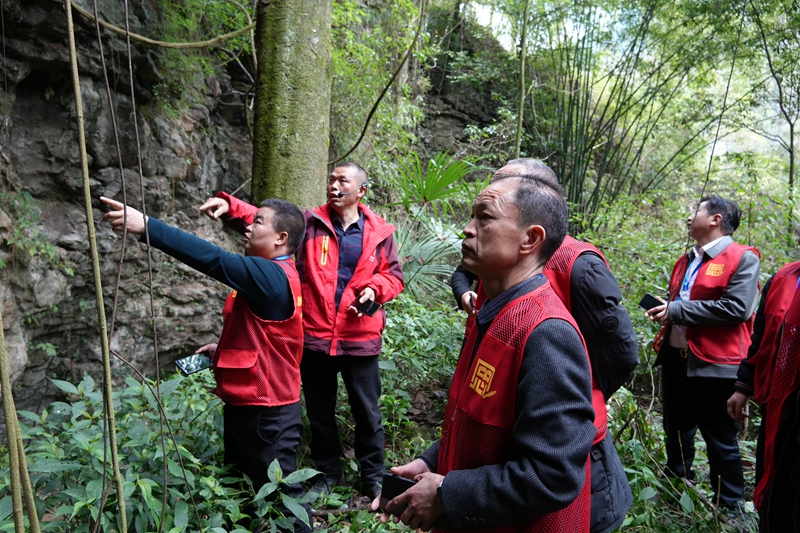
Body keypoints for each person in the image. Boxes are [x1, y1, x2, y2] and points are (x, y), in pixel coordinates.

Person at [371, 176, 596, 532]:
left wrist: (447, 493)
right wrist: (433, 461)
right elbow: (482, 423)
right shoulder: (490, 313)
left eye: (484, 218)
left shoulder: (546, 332)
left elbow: (553, 475)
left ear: (530, 239)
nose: (467, 229)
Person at [99, 196, 311, 531]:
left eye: (257, 222)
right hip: (250, 403)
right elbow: (267, 334)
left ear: (281, 238)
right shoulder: (270, 274)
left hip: (268, 413)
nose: (248, 227)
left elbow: (213, 260)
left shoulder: (270, 275)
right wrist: (223, 348)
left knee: (281, 499)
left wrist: (148, 227)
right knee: (243, 489)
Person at [450, 159, 637, 533]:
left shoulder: (576, 270)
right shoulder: (498, 288)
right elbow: (462, 275)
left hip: (569, 432)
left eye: (486, 214)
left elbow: (620, 352)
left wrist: (573, 394)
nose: (469, 229)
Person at [199, 162, 405, 499]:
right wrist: (230, 208)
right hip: (316, 337)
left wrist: (374, 289)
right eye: (332, 179)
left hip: (360, 338)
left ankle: (374, 476)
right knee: (319, 411)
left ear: (361, 191)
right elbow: (270, 224)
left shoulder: (380, 232)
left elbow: (394, 276)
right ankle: (328, 472)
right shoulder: (311, 223)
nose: (334, 185)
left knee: (368, 412)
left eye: (343, 180)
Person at [648, 195, 760, 511]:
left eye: (696, 210)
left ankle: (728, 506)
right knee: (676, 427)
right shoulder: (687, 259)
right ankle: (676, 484)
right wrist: (666, 309)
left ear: (716, 219)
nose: (689, 216)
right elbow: (684, 302)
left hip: (715, 364)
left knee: (719, 437)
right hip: (676, 358)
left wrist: (678, 310)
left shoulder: (743, 258)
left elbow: (736, 308)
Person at [727, 261, 800, 532]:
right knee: (774, 487)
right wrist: (743, 386)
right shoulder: (784, 277)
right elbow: (761, 337)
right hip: (779, 406)